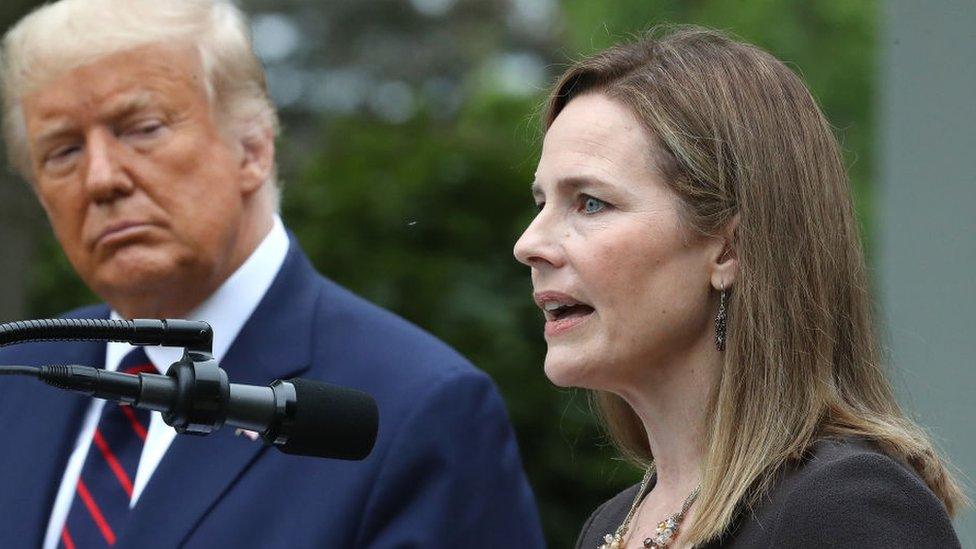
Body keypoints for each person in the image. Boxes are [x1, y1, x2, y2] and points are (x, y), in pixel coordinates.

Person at [0, 1, 544, 547]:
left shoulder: (414, 410)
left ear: (254, 147)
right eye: (63, 151)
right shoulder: (14, 378)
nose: (100, 179)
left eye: (142, 128)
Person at [514, 27, 965, 548]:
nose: (530, 244)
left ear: (729, 248)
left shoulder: (846, 511)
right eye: (540, 202)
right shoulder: (609, 527)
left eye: (590, 202)